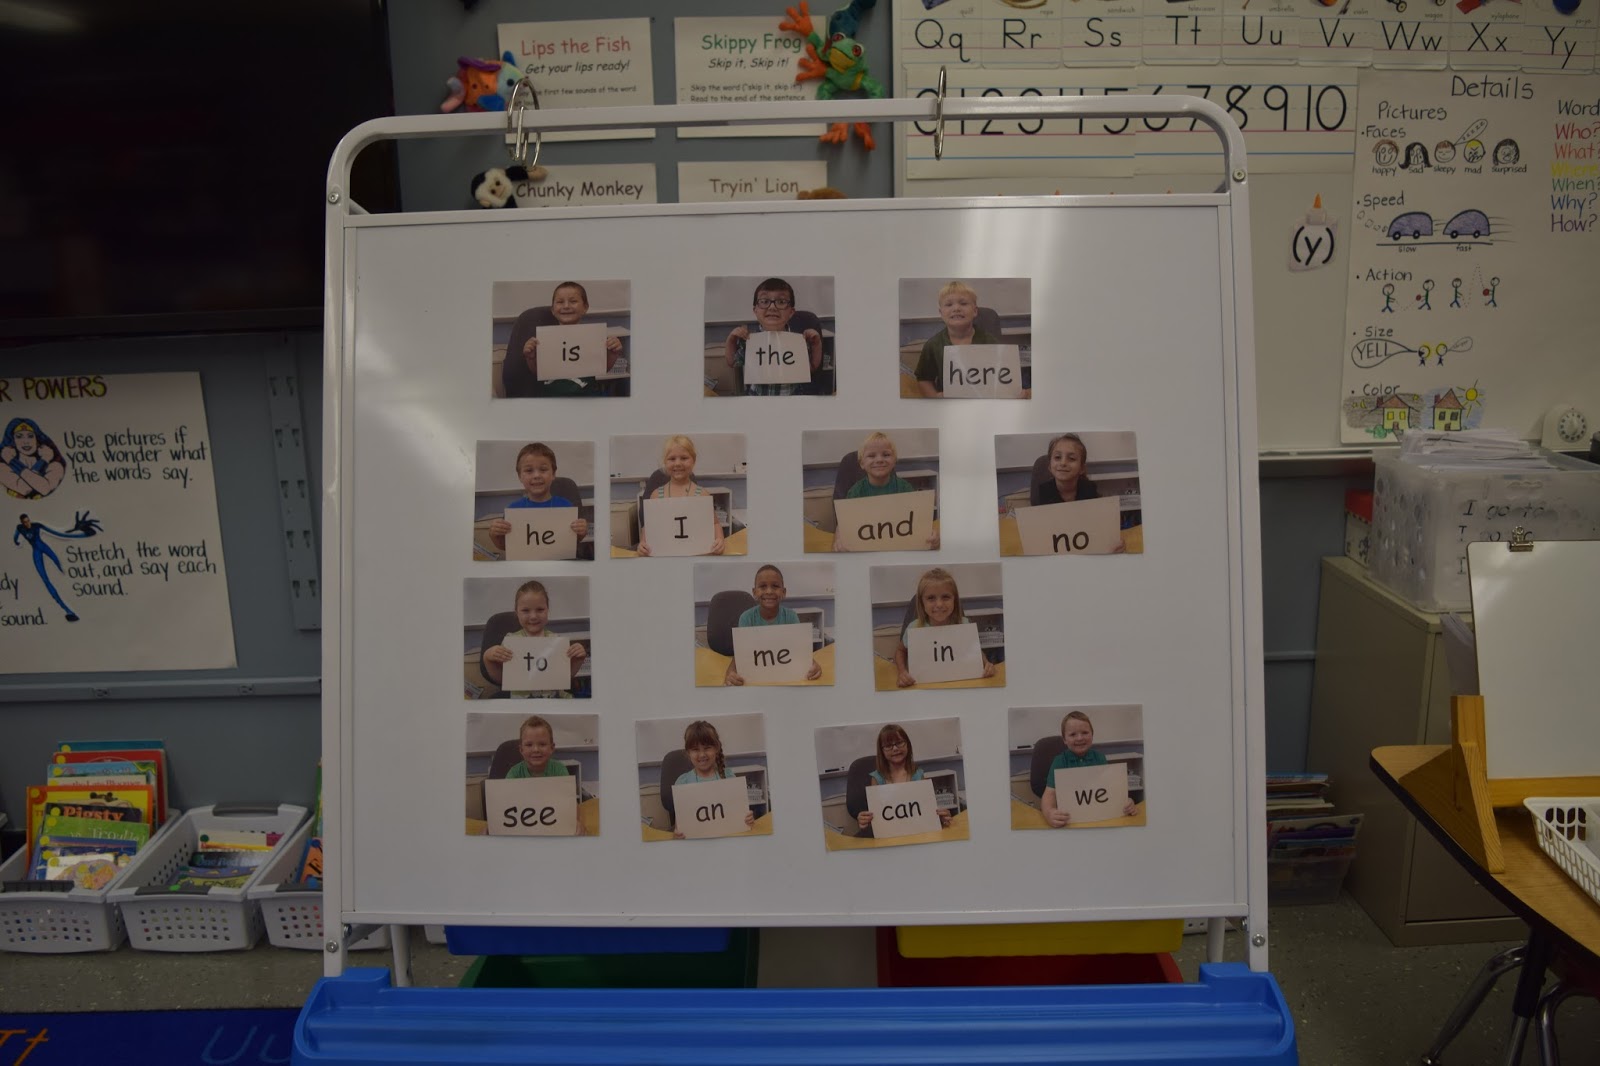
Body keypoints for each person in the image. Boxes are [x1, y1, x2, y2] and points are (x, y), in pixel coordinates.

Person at [504, 281, 623, 398]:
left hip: (586, 396)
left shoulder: (592, 338)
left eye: (573, 301)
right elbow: (537, 372)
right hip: (551, 397)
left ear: (585, 307)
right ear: (552, 310)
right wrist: (530, 357)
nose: (566, 306)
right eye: (560, 302)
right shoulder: (543, 340)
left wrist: (613, 354)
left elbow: (602, 368)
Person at [913, 280, 1027, 398]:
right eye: (949, 305)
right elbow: (924, 379)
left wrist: (1015, 393)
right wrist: (934, 397)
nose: (956, 308)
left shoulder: (990, 342)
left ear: (975, 311)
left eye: (963, 303)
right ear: (941, 313)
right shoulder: (933, 345)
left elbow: (1004, 377)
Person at [832, 432, 939, 551]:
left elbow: (919, 522)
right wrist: (839, 539)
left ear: (894, 460)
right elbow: (844, 524)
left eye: (886, 455)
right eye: (871, 456)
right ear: (862, 463)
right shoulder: (856, 492)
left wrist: (932, 537)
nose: (879, 460)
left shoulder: (905, 489)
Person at [481, 580, 588, 698]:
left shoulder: (555, 640)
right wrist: (488, 658)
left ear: (547, 610)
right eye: (525, 610)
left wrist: (578, 660)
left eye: (540, 610)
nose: (533, 616)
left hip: (552, 699)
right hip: (521, 702)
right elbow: (501, 679)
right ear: (517, 613)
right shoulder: (511, 641)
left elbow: (563, 678)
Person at [723, 564, 823, 685]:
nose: (769, 591)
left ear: (783, 592)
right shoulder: (746, 618)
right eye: (762, 586)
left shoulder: (791, 616)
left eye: (775, 586)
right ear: (754, 592)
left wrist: (813, 664)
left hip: (785, 677)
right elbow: (741, 653)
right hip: (756, 679)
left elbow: (799, 650)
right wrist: (730, 670)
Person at [894, 567, 994, 688]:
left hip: (959, 686)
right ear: (921, 602)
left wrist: (986, 663)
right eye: (931, 598)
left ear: (954, 600)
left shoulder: (964, 624)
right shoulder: (914, 627)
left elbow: (975, 650)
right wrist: (902, 671)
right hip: (924, 688)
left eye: (946, 597)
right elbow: (900, 651)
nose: (939, 604)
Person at [724, 278, 823, 396]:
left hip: (791, 400)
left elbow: (812, 367)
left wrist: (816, 344)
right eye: (764, 301)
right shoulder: (749, 342)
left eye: (781, 301)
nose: (772, 307)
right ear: (755, 310)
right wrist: (731, 339)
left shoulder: (798, 342)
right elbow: (732, 362)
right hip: (757, 400)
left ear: (791, 312)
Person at [1041, 710, 1138, 828]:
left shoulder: (1100, 758)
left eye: (1085, 732)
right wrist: (1049, 813)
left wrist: (1126, 801)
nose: (1080, 738)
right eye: (1073, 734)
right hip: (1069, 821)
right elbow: (1049, 794)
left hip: (1097, 818)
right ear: (1064, 739)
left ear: (1092, 735)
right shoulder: (1059, 761)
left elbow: (1110, 789)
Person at [487, 443, 588, 556]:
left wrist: (581, 532)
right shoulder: (513, 510)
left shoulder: (566, 506)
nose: (536, 475)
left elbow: (573, 541)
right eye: (529, 470)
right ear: (520, 476)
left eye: (543, 469)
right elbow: (506, 546)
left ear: (553, 474)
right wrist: (494, 535)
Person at [637, 435, 726, 557]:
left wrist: (720, 539)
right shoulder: (656, 495)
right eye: (672, 459)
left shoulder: (702, 495)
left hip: (695, 555)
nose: (678, 463)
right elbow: (649, 527)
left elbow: (715, 523)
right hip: (666, 557)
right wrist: (643, 543)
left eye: (684, 458)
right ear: (665, 462)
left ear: (693, 460)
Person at [856, 723, 952, 833]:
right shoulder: (877, 778)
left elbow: (926, 812)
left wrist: (941, 817)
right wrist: (865, 820)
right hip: (890, 835)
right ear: (882, 751)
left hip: (916, 832)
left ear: (907, 745)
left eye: (899, 742)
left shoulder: (918, 775)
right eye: (888, 746)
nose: (895, 748)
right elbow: (876, 817)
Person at [671, 720, 756, 837]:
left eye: (707, 748)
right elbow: (679, 825)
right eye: (695, 749)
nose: (702, 755)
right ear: (688, 752)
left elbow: (739, 817)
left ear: (716, 748)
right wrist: (677, 833)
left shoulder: (729, 777)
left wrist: (748, 819)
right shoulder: (682, 782)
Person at [13, 511, 101, 622]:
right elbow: (16, 536)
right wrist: (16, 542)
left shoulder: (37, 526)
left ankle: (87, 534)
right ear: (22, 522)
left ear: (29, 520)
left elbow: (59, 534)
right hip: (36, 551)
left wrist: (84, 533)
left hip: (44, 547)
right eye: (25, 522)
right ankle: (68, 610)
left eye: (28, 521)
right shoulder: (20, 528)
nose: (27, 524)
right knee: (45, 579)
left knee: (59, 565)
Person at [0, 418, 68, 500]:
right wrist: (43, 461)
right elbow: (26, 489)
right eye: (19, 437)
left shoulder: (55, 465)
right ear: (13, 441)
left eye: (30, 436)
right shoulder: (2, 467)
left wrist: (12, 462)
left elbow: (44, 489)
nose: (26, 441)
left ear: (37, 440)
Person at [1034, 433, 1099, 506]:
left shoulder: (1090, 489)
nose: (1063, 463)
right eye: (1058, 457)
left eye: (1071, 458)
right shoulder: (1044, 491)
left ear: (1082, 468)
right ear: (1049, 466)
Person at [503, 715, 571, 779]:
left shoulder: (559, 770)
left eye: (542, 744)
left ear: (552, 748)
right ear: (521, 749)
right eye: (529, 745)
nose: (536, 750)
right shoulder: (514, 774)